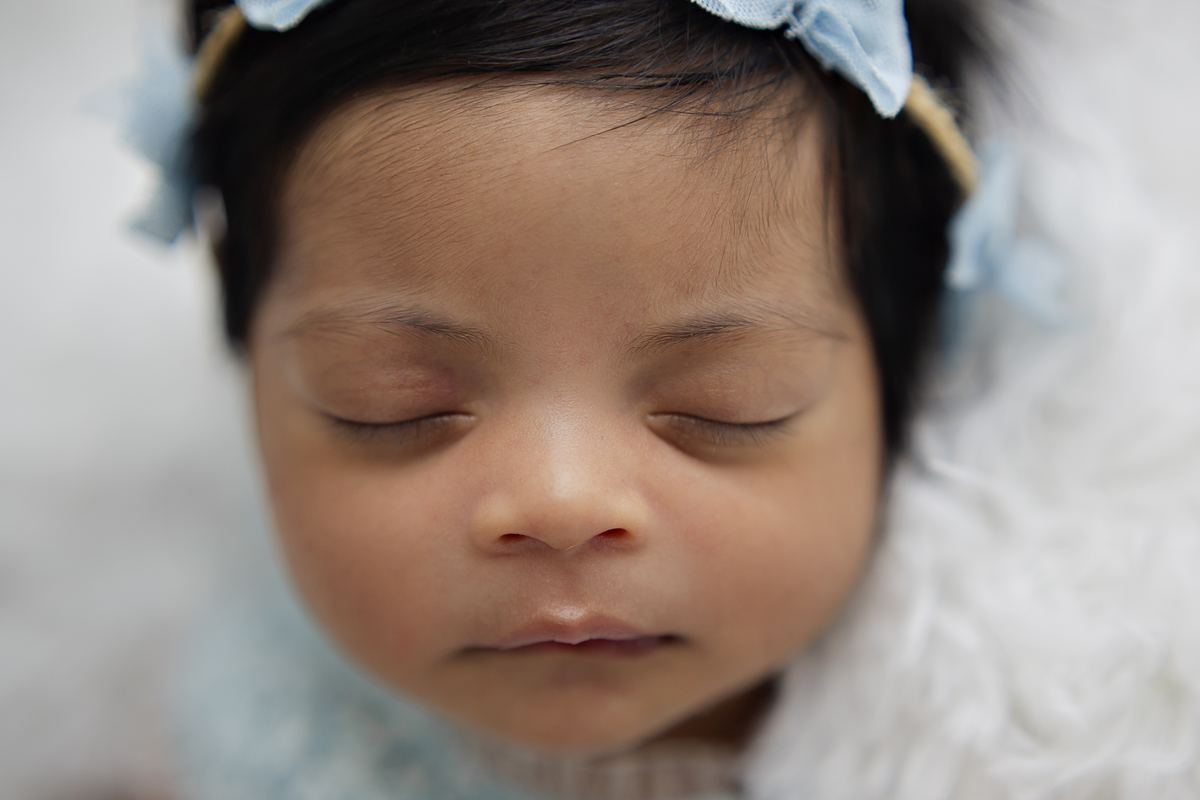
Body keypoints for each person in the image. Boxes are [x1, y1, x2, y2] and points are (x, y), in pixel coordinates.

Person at [122, 1, 1200, 798]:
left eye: (726, 405)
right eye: (390, 403)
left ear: (904, 376)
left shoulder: (1069, 732)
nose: (558, 500)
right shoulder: (256, 741)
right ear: (250, 367)